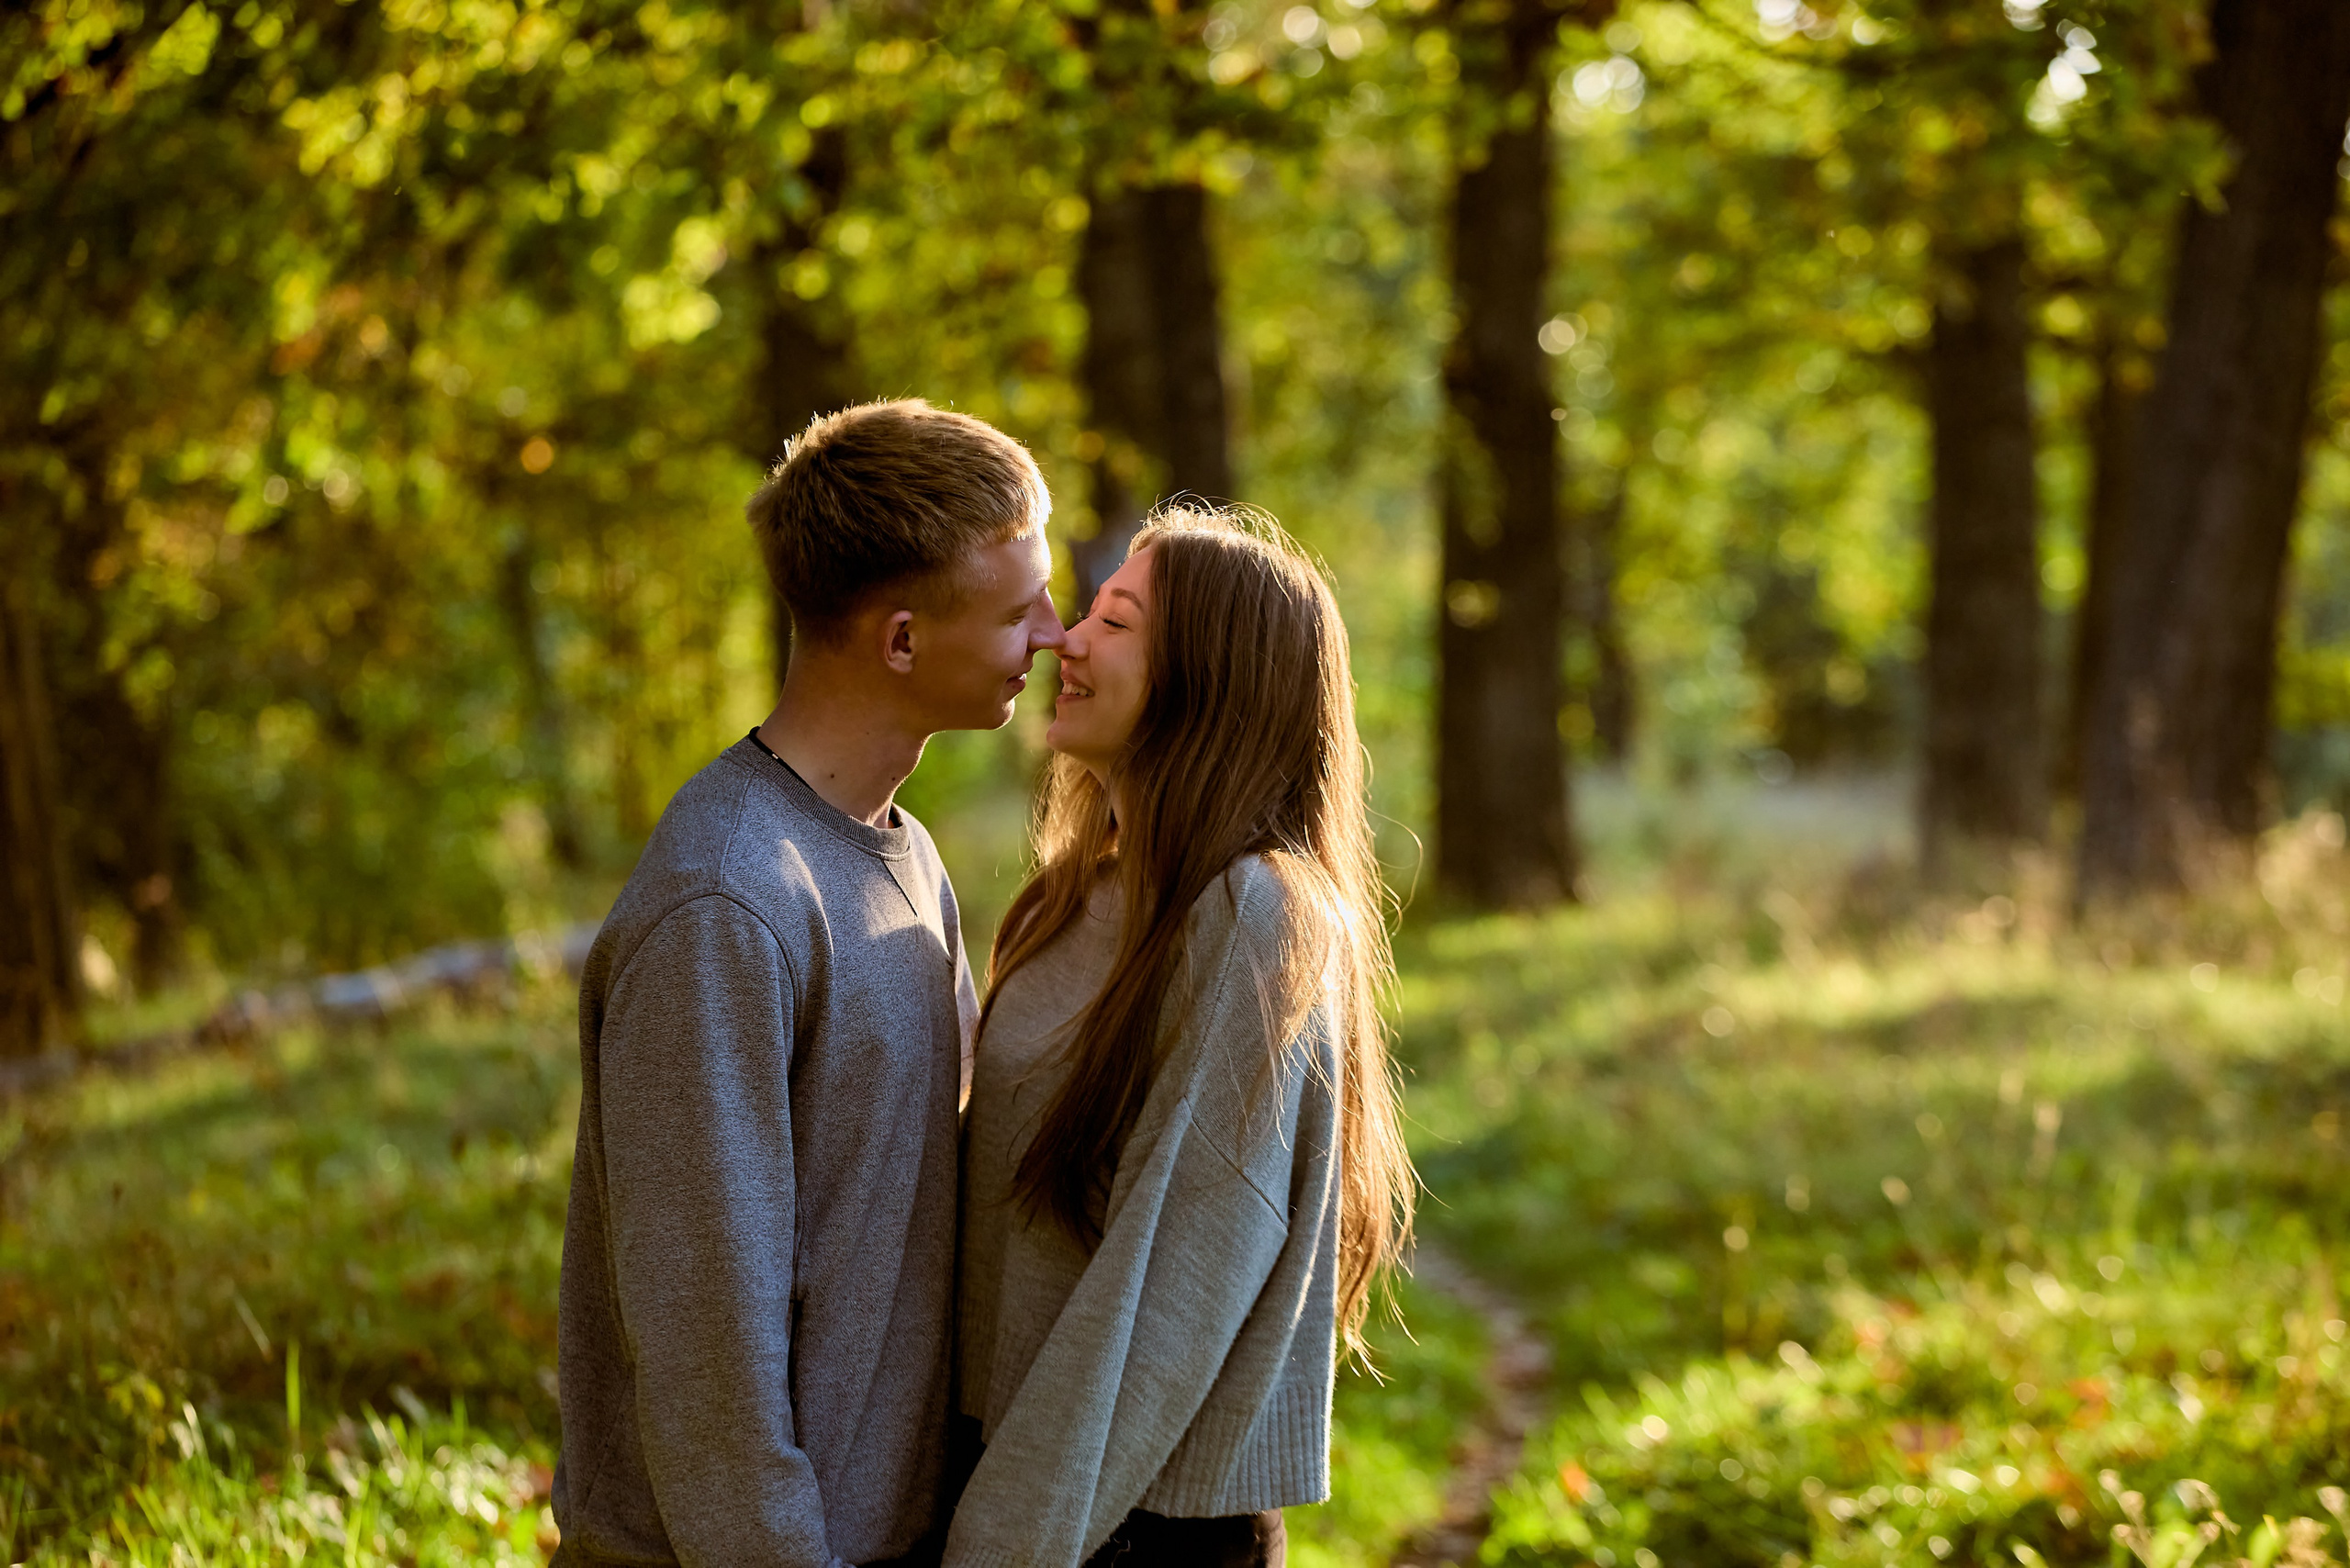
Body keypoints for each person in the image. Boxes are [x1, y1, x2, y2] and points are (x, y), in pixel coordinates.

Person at [552, 399, 1066, 1568]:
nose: (1049, 634)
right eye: (1015, 607)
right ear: (899, 640)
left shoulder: (905, 855)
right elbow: (702, 1342)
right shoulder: (726, 902)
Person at [945, 508, 1416, 1568]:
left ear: (1208, 674)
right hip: (1013, 1479)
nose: (1066, 639)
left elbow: (1177, 1281)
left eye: (1115, 619)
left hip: (1127, 1523)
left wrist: (1004, 1542)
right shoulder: (1066, 900)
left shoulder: (1256, 914)